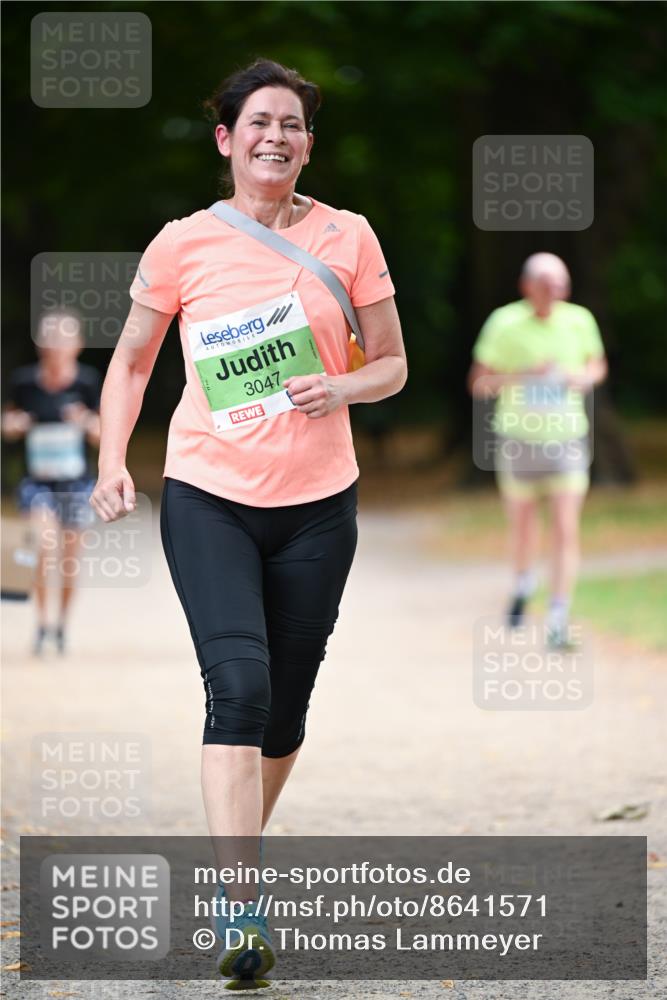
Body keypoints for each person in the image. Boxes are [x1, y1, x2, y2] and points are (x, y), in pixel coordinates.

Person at [89, 58, 406, 985]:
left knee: (285, 707)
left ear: (308, 145)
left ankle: (235, 872)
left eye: (292, 124)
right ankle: (241, 909)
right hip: (209, 495)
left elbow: (391, 363)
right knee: (239, 686)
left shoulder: (349, 236)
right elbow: (131, 363)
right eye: (259, 122)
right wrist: (112, 460)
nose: (276, 136)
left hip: (319, 506)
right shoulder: (182, 244)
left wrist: (340, 386)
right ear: (227, 139)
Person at [468, 253, 607, 647]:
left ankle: (559, 614)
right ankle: (523, 583)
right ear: (527, 286)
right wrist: (523, 376)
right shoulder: (503, 322)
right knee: (524, 527)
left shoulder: (580, 320)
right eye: (548, 284)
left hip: (567, 439)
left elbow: (597, 365)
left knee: (565, 526)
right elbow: (478, 382)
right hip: (518, 441)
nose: (556, 292)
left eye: (562, 284)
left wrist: (582, 378)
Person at [2, 309, 101, 655]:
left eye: (63, 338)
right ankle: (42, 623)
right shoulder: (24, 382)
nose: (56, 344)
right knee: (43, 548)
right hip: (37, 483)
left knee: (69, 561)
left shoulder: (87, 382)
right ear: (39, 344)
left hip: (76, 483)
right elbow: (8, 423)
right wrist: (14, 425)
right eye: (50, 338)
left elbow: (102, 432)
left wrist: (85, 421)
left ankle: (61, 626)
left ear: (78, 344)